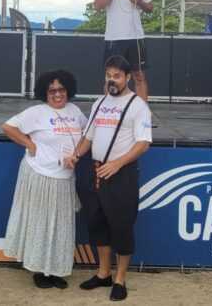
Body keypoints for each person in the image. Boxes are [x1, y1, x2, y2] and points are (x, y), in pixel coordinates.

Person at [65, 55, 152, 301]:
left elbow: (143, 143)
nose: (111, 80)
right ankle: (103, 273)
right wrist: (76, 155)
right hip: (95, 171)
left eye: (116, 76)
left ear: (126, 78)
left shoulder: (138, 106)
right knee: (97, 224)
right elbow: (89, 137)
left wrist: (117, 163)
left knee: (122, 227)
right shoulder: (99, 103)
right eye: (108, 75)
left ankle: (120, 279)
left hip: (121, 173)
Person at [2, 69, 87, 289]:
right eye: (52, 90)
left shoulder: (75, 111)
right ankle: (39, 270)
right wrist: (30, 145)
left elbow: (87, 136)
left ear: (68, 90)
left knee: (60, 225)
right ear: (45, 92)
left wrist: (76, 155)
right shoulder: (36, 112)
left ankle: (55, 269)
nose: (57, 94)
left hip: (65, 176)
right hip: (40, 174)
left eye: (61, 89)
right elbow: (8, 127)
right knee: (40, 223)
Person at [95, 0, 153, 101]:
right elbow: (98, 6)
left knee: (139, 76)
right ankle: (109, 112)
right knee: (112, 77)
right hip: (114, 37)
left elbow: (150, 8)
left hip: (136, 37)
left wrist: (138, 1)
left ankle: (143, 115)